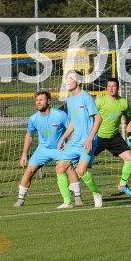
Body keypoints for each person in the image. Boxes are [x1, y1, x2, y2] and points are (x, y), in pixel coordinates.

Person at [14, 91, 84, 207]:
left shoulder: (60, 115)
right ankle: (20, 200)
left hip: (59, 149)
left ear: (48, 101)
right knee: (29, 171)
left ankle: (78, 198)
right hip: (42, 149)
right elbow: (29, 135)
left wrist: (70, 145)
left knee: (69, 168)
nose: (38, 102)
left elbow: (72, 129)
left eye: (41, 100)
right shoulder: (33, 119)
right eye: (37, 100)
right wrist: (24, 154)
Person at [56, 70, 103, 208]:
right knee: (59, 168)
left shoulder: (86, 97)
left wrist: (90, 138)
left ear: (79, 81)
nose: (68, 81)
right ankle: (67, 201)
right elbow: (72, 122)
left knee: (81, 171)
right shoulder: (70, 100)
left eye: (71, 78)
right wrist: (63, 138)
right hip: (74, 142)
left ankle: (96, 193)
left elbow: (98, 118)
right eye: (66, 78)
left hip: (87, 141)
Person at [95, 77, 131, 196]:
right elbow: (91, 118)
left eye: (113, 86)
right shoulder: (100, 101)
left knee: (130, 159)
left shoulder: (123, 103)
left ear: (118, 88)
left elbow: (129, 119)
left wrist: (130, 135)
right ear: (106, 88)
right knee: (82, 163)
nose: (111, 88)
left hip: (114, 137)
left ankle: (122, 185)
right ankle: (73, 189)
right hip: (98, 137)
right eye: (109, 86)